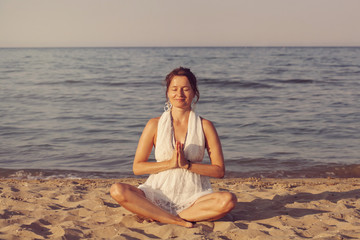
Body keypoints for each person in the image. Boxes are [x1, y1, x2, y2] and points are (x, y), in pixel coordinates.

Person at [110, 67, 236, 228]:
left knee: (228, 200)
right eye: (174, 89)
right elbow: (137, 167)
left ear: (194, 92)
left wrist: (187, 165)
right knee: (117, 190)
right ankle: (175, 220)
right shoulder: (154, 124)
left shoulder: (206, 126)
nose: (180, 94)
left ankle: (162, 216)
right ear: (168, 92)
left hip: (195, 197)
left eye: (185, 89)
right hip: (155, 194)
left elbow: (219, 171)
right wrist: (170, 164)